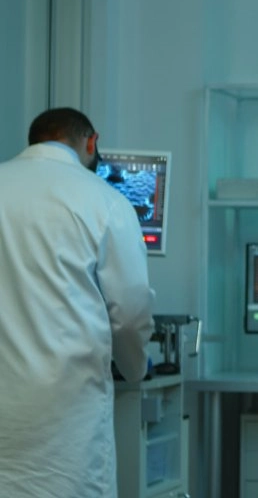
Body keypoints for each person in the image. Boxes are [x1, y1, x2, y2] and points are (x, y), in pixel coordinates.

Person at [0, 108, 155, 497]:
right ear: (91, 141)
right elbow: (131, 313)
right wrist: (134, 368)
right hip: (66, 414)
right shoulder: (104, 200)